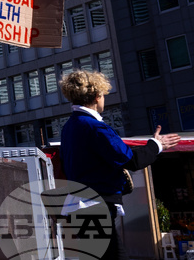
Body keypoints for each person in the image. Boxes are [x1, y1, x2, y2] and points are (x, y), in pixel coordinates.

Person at [59, 70, 180, 260]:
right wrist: (157, 145)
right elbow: (130, 160)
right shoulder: (94, 127)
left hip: (82, 204)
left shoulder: (70, 127)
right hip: (94, 205)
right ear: (97, 96)